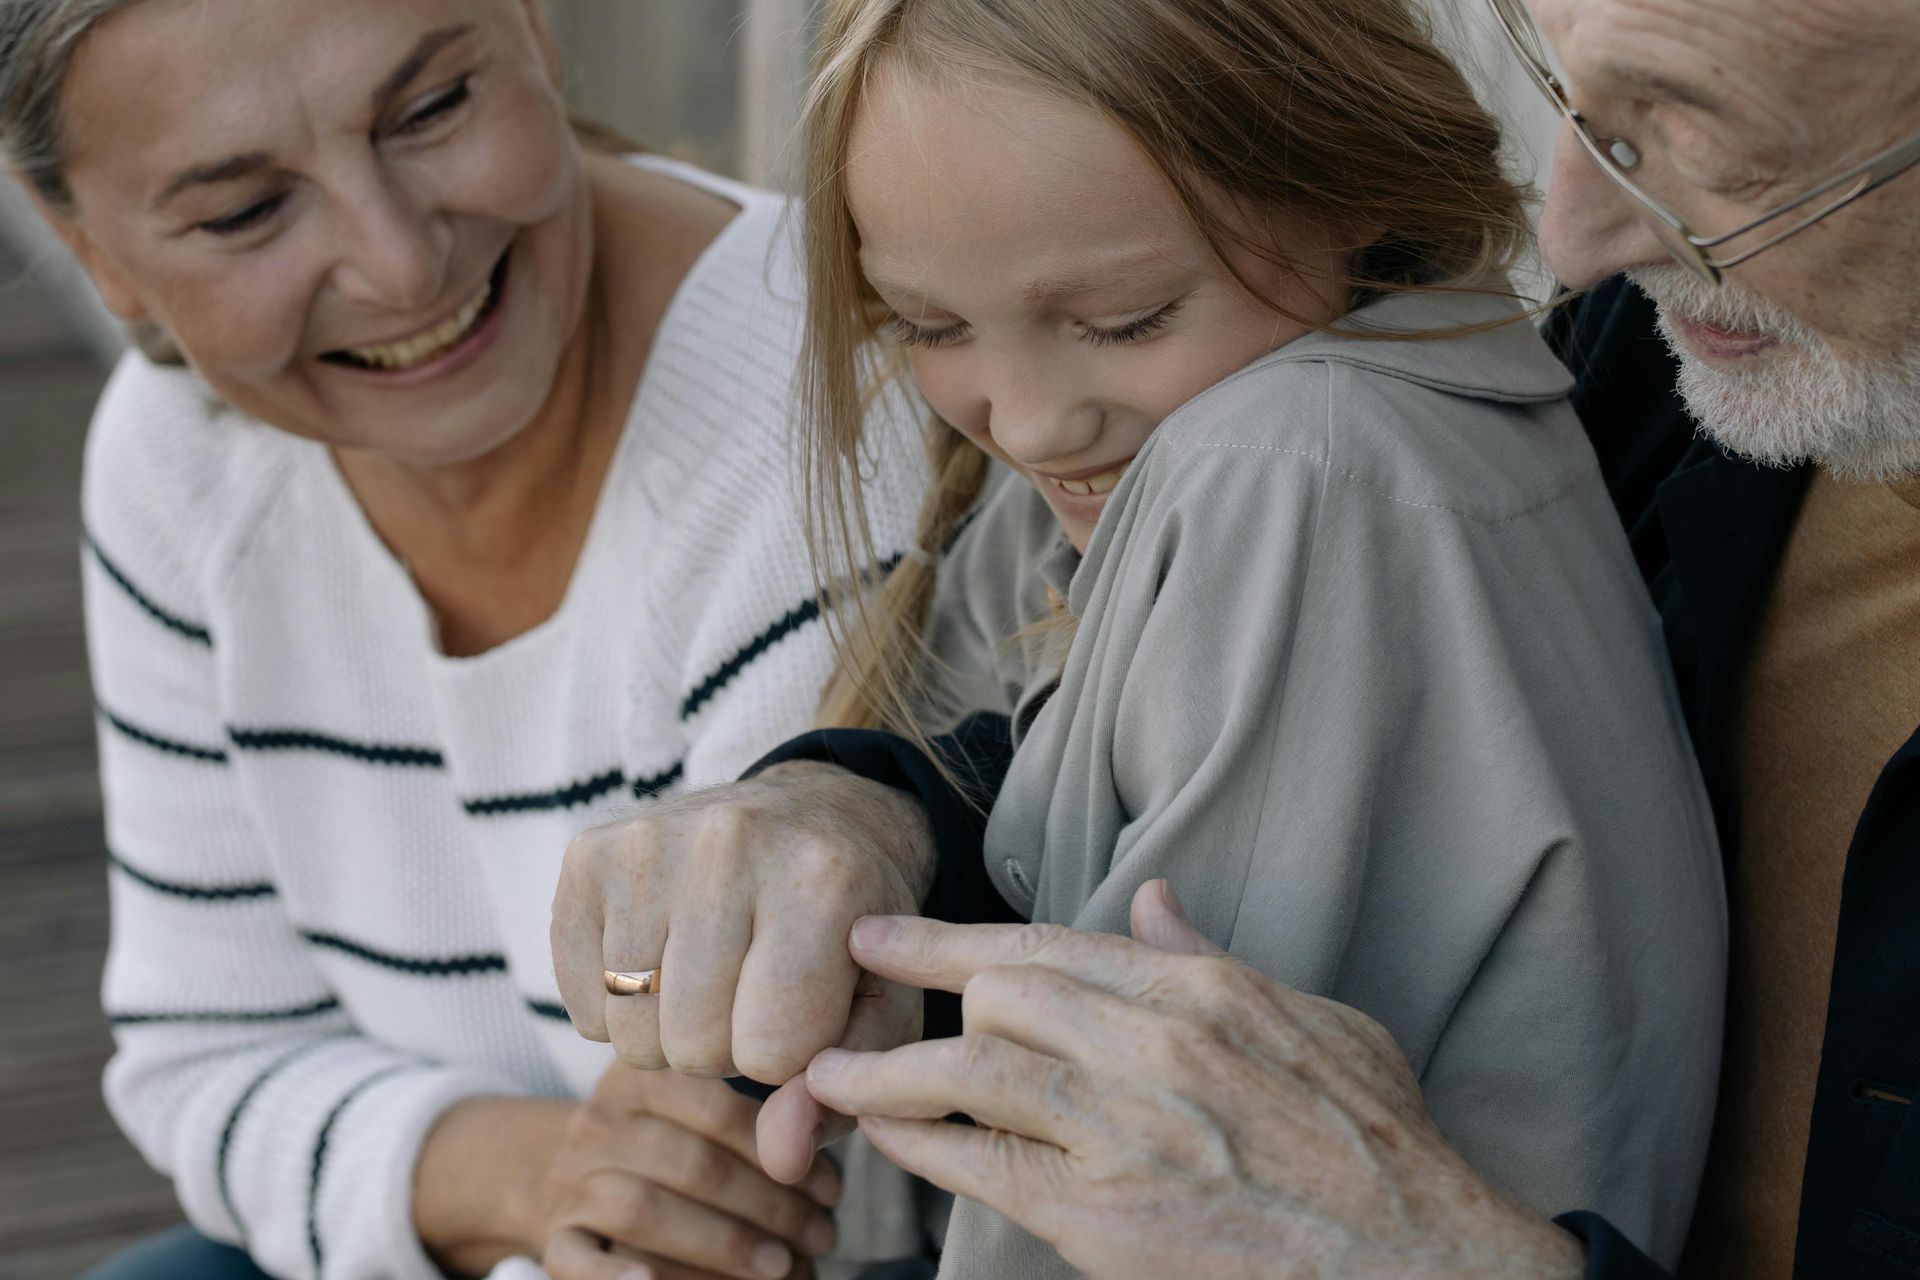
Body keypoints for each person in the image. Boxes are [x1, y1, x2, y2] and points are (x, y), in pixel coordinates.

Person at [547, 0, 1730, 1273]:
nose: (1031, 422)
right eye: (930, 327)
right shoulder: (1431, 403)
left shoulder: (1288, 464)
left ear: (1339, 176)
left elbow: (1105, 1175)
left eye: (1122, 318)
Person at [781, 0, 1920, 1276]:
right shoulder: (1652, 371)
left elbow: (1115, 1172)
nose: (1572, 237)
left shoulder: (1294, 461)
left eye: (1723, 144)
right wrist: (869, 813)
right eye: (1583, 106)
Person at [0, 0, 929, 1276]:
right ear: (90, 250)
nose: (398, 265)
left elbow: (746, 1206)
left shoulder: (830, 423)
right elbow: (207, 1053)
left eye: (432, 109)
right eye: (242, 212)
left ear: (536, 31)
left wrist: (566, 1196)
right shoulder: (183, 460)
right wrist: (515, 1167)